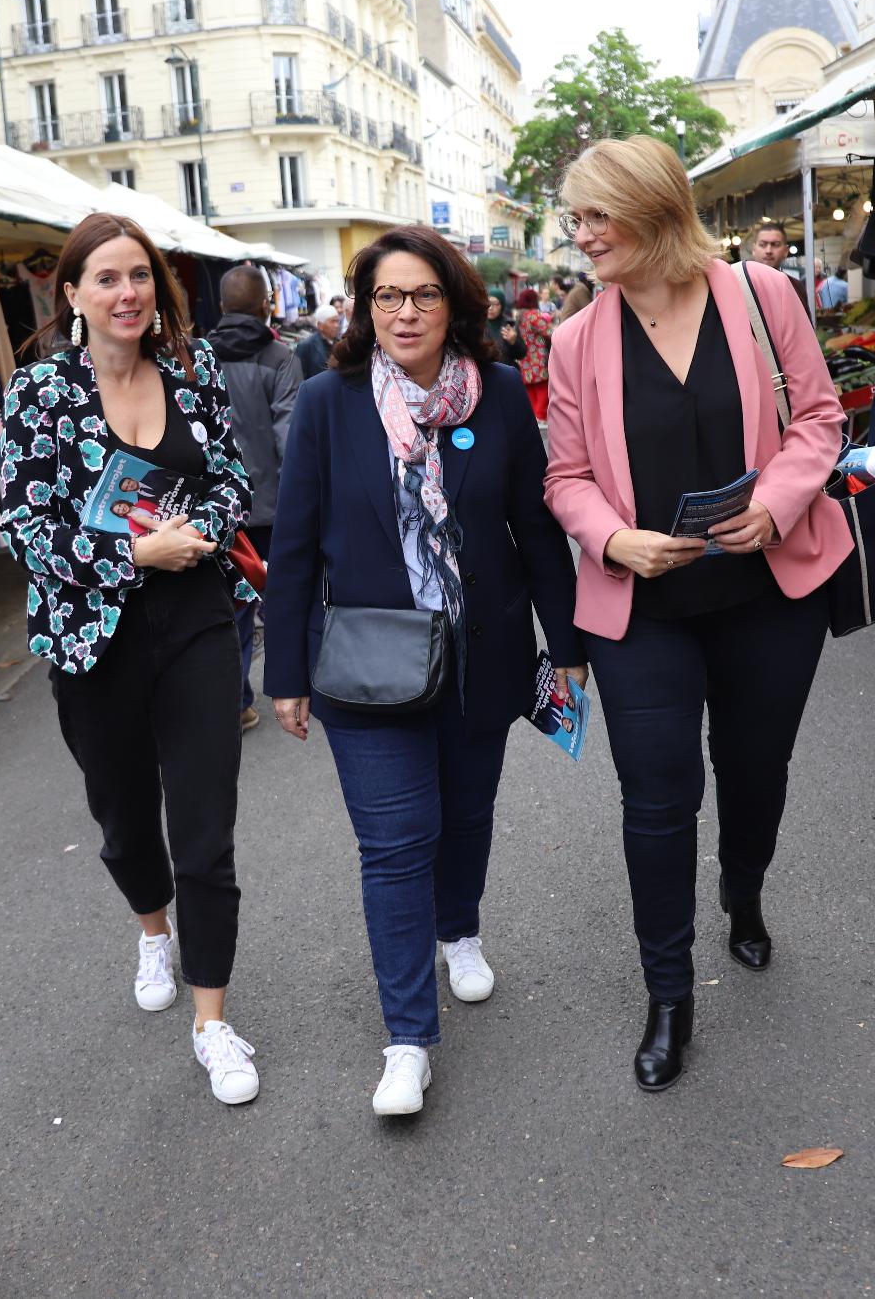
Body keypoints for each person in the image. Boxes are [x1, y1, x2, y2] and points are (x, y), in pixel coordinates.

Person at [543, 136, 850, 1094]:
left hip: (769, 594)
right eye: (576, 217)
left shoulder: (764, 298)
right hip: (647, 612)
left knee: (756, 771)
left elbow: (821, 419)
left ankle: (744, 888)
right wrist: (610, 540)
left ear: (656, 211)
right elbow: (567, 477)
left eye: (599, 216)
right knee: (657, 799)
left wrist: (783, 500)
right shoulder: (575, 339)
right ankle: (668, 993)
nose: (581, 235)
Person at [264, 225, 583, 1117]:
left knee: (468, 811)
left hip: (483, 654)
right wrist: (284, 669)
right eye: (387, 297)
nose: (405, 313)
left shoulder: (501, 396)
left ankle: (462, 928)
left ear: (456, 305)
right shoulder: (331, 403)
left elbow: (535, 528)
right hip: (370, 671)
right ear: (366, 311)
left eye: (424, 295)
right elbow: (291, 548)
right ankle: (407, 1038)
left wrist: (567, 648)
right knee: (395, 846)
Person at [0, 212, 263, 1106]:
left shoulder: (193, 374)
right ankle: (153, 926)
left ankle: (214, 1020)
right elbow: (27, 528)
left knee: (205, 829)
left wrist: (199, 532)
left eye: (140, 276)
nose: (128, 293)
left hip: (195, 626)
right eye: (106, 279)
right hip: (93, 641)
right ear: (71, 295)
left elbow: (232, 479)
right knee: (122, 817)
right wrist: (129, 557)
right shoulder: (40, 392)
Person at [207, 263, 303, 730]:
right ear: (266, 304)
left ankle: (235, 698)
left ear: (222, 306)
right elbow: (290, 434)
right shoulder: (278, 357)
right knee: (281, 595)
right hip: (271, 504)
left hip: (211, 507)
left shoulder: (194, 354)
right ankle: (290, 685)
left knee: (230, 604)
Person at [512, 288, 555, 422]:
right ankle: (540, 415)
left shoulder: (520, 316)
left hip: (524, 357)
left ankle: (533, 416)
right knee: (542, 387)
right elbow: (549, 332)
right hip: (537, 357)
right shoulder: (534, 315)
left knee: (530, 389)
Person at [750, 222, 811, 313]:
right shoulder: (740, 284)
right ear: (754, 249)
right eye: (763, 245)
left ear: (786, 251)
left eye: (775, 245)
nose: (768, 251)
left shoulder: (796, 287)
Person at [296, 302, 341, 380]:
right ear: (320, 325)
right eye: (332, 322)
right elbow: (299, 377)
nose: (336, 325)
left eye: (337, 321)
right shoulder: (305, 346)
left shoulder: (340, 343)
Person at [486, 291, 527, 367]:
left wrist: (514, 342)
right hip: (484, 374)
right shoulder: (478, 325)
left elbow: (521, 354)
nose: (490, 308)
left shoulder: (510, 324)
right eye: (488, 303)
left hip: (506, 373)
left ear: (502, 305)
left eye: (495, 304)